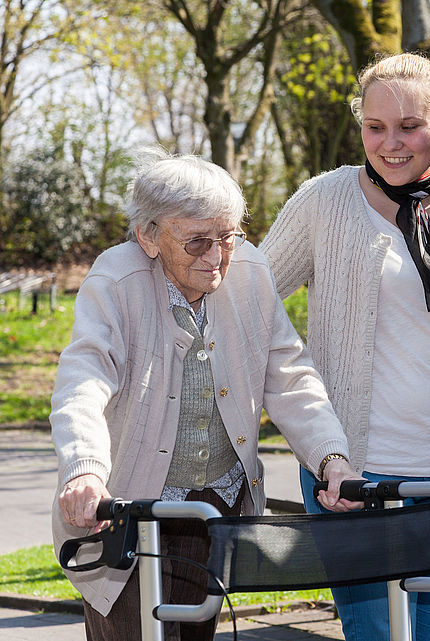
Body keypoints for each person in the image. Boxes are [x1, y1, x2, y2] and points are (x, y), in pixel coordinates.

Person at [260, 52, 430, 640]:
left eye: (410, 126)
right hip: (356, 480)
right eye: (375, 126)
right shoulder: (325, 202)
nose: (391, 143)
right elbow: (250, 304)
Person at [50, 151, 361, 641]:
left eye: (227, 237)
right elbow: (84, 377)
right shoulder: (115, 279)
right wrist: (84, 468)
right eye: (197, 241)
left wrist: (332, 458)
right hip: (127, 514)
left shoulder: (251, 273)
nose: (215, 257)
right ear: (148, 236)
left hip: (215, 509)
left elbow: (289, 376)